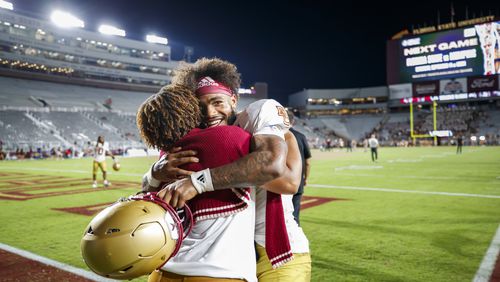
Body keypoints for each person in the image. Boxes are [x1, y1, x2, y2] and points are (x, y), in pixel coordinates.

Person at [143, 58, 311, 281]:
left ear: (233, 99)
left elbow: (286, 180)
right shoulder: (201, 135)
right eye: (201, 106)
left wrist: (201, 179)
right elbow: (157, 189)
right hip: (232, 252)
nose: (210, 113)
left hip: (279, 250)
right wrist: (154, 172)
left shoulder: (258, 113)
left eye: (217, 102)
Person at [137, 84, 257, 282]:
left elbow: (145, 193)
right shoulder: (231, 137)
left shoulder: (164, 157)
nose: (209, 113)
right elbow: (271, 165)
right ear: (191, 109)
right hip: (218, 273)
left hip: (161, 272)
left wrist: (152, 174)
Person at [287, 110, 311, 226]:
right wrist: (306, 178)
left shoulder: (276, 136)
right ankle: (294, 242)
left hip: (280, 182)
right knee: (295, 216)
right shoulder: (300, 136)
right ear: (293, 121)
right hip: (297, 181)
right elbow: (307, 162)